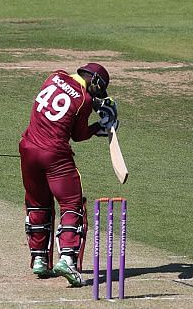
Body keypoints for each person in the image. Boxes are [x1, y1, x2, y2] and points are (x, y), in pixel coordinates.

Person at [19, 63, 119, 287]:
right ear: (94, 82)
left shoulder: (54, 76)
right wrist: (99, 128)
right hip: (55, 155)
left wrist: (93, 108)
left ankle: (39, 259)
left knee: (37, 203)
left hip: (27, 149)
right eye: (98, 90)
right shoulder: (83, 100)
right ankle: (67, 260)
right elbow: (79, 135)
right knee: (72, 205)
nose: (97, 96)